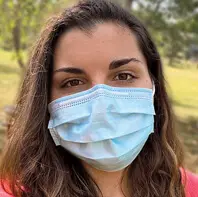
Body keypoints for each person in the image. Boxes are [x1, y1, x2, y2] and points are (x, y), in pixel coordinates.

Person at [0, 0, 198, 196]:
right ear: (44, 100)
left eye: (124, 76)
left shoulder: (189, 189)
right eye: (72, 82)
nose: (101, 105)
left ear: (153, 85)